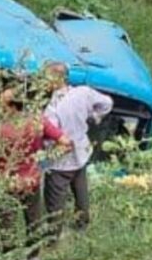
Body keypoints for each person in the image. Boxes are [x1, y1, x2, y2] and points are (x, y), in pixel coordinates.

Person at [0, 88, 70, 260]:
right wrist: (43, 161)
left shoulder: (2, 129)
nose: (0, 103)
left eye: (3, 101)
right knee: (33, 221)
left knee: (7, 224)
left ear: (11, 106)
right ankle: (33, 258)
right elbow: (66, 142)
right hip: (31, 181)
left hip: (7, 183)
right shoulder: (38, 122)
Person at [43, 63, 113, 238]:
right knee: (80, 190)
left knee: (55, 199)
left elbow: (51, 135)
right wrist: (95, 117)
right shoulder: (84, 92)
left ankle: (53, 236)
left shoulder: (53, 108)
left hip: (60, 160)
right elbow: (107, 103)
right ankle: (82, 224)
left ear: (54, 80)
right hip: (81, 152)